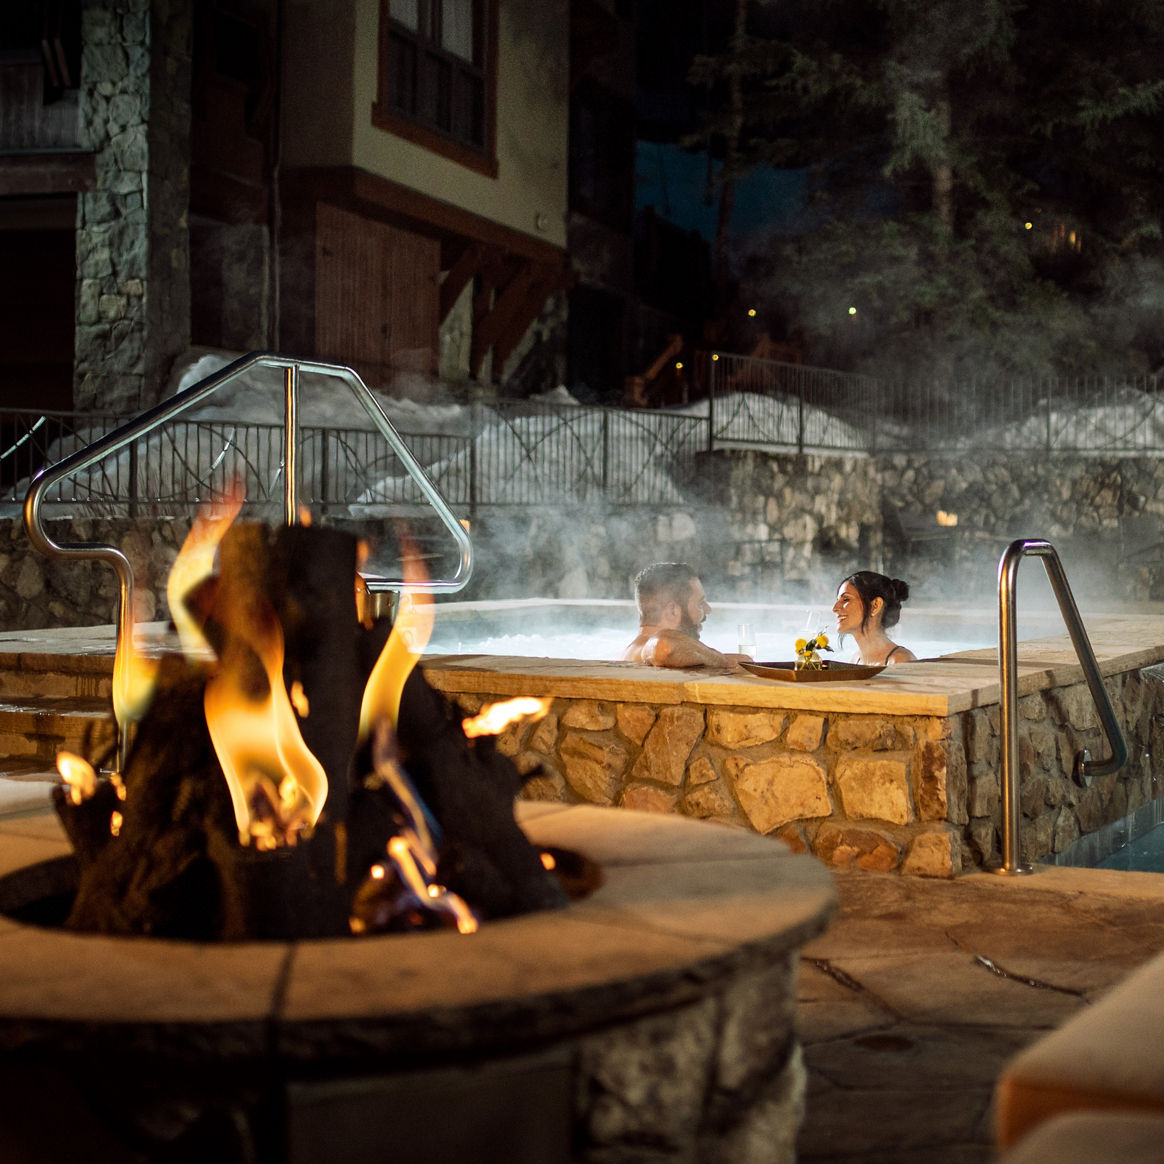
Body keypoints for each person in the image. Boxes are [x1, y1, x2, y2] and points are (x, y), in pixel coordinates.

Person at [623, 562, 751, 670]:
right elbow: (663, 646)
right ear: (673, 611)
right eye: (700, 603)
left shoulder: (635, 650)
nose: (708, 610)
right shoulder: (644, 650)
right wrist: (725, 661)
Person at [832, 570, 918, 665]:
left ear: (875, 606)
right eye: (837, 600)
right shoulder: (855, 660)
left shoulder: (899, 660)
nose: (835, 608)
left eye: (846, 599)